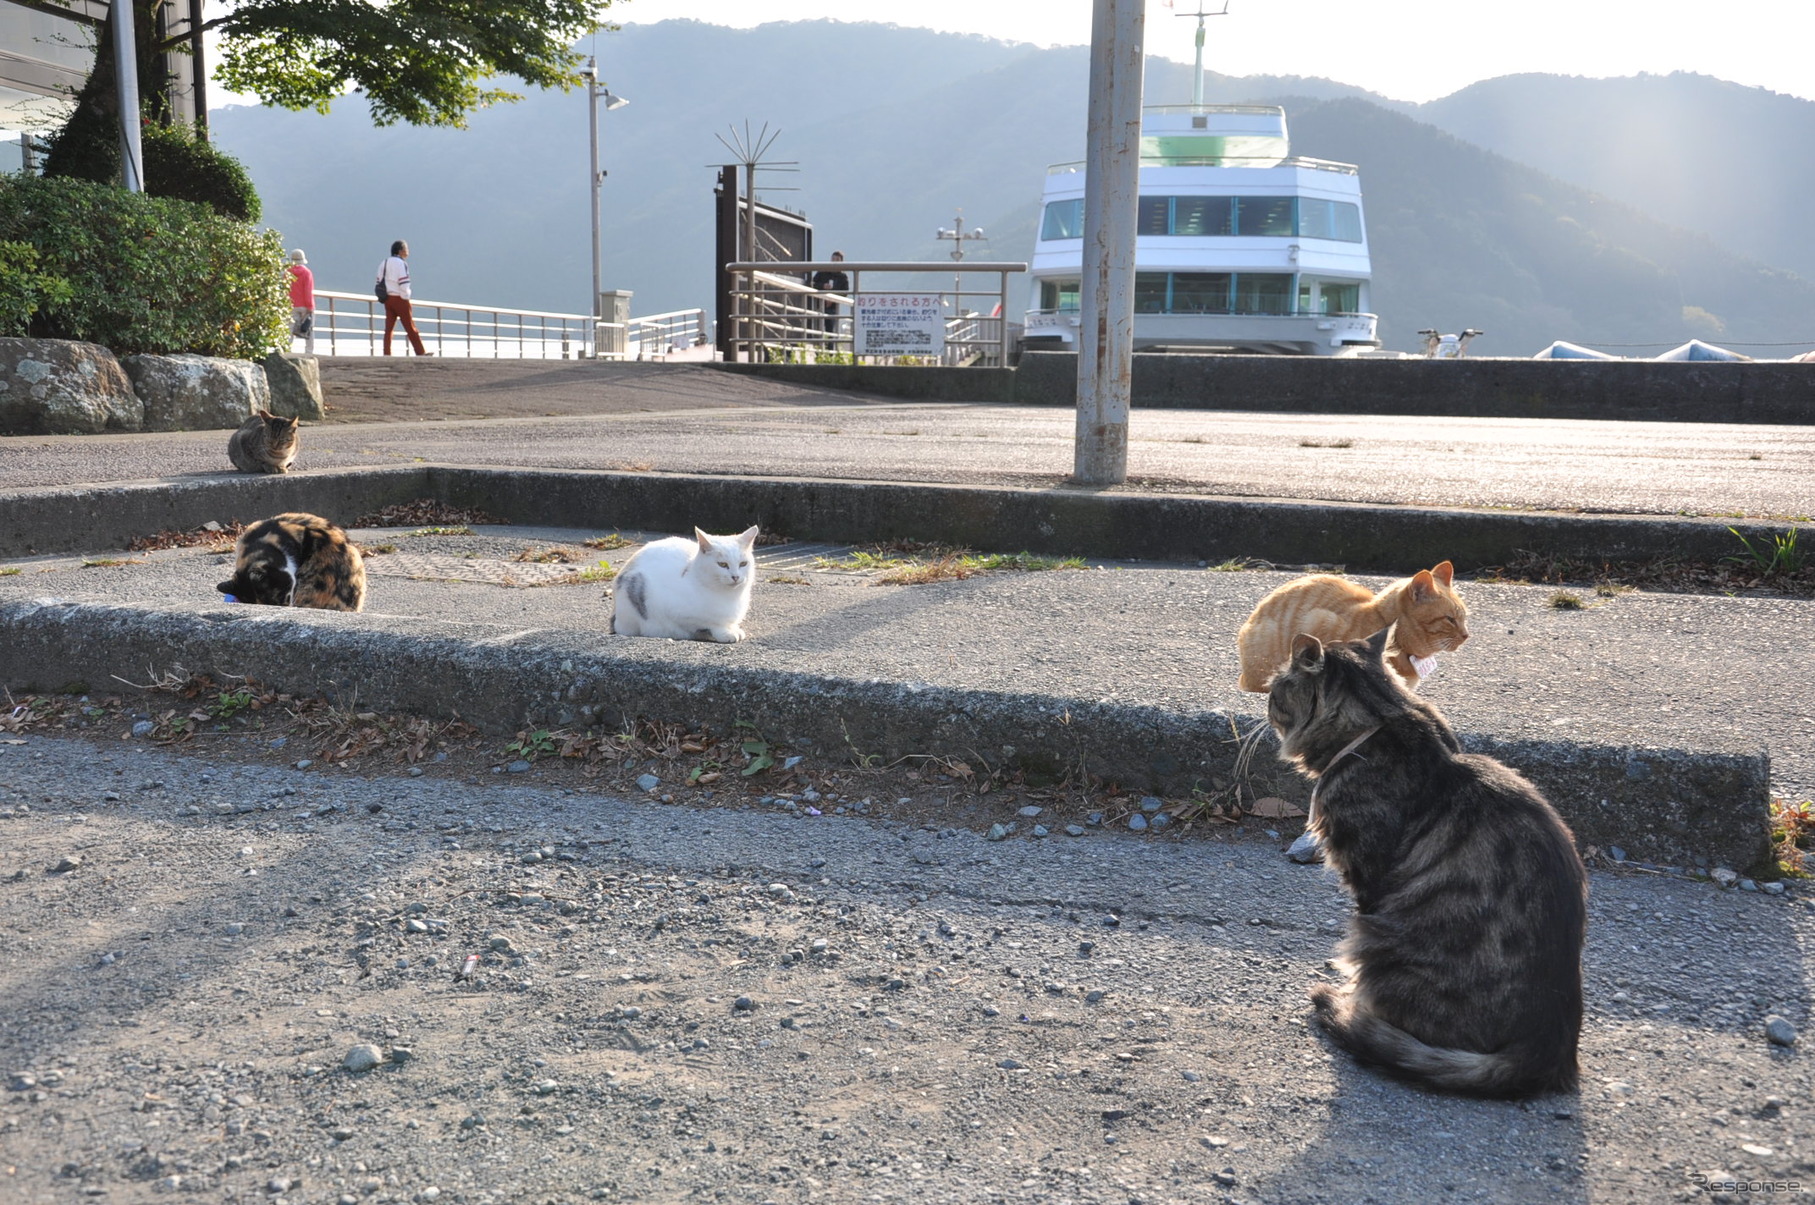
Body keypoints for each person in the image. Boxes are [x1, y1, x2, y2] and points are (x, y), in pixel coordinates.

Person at [376, 239, 430, 356]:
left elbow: (379, 280)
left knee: (389, 328)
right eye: (406, 249)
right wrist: (406, 296)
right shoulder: (401, 263)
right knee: (410, 327)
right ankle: (420, 352)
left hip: (388, 299)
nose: (408, 252)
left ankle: (387, 353)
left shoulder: (384, 262)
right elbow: (404, 282)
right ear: (400, 251)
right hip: (400, 299)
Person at [808, 250, 850, 337]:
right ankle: (818, 348)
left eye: (837, 260)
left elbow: (845, 292)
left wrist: (833, 297)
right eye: (833, 259)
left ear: (841, 262)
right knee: (816, 328)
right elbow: (812, 283)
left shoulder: (843, 277)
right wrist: (823, 286)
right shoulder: (823, 271)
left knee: (830, 329)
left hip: (833, 307)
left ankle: (829, 348)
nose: (834, 261)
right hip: (819, 304)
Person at [285, 249, 315, 355]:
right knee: (308, 328)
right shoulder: (307, 273)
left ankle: (286, 351)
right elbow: (308, 291)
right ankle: (308, 352)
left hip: (290, 305)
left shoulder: (287, 272)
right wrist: (310, 307)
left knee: (289, 328)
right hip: (304, 305)